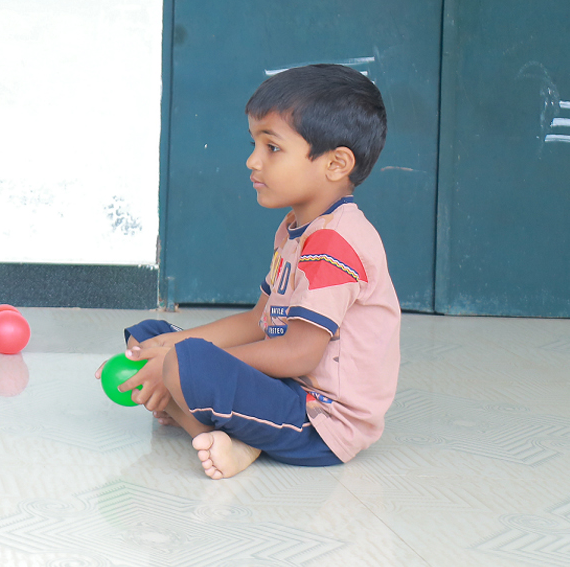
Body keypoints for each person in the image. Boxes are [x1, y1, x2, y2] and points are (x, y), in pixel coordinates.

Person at [114, 63, 400, 478]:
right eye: (254, 144)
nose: (252, 160)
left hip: (320, 420)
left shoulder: (336, 240)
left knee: (183, 363)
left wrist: (179, 360)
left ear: (336, 164)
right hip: (285, 386)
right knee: (150, 338)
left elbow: (299, 352)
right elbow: (257, 321)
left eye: (273, 148)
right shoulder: (295, 228)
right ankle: (206, 415)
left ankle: (234, 439)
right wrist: (168, 349)